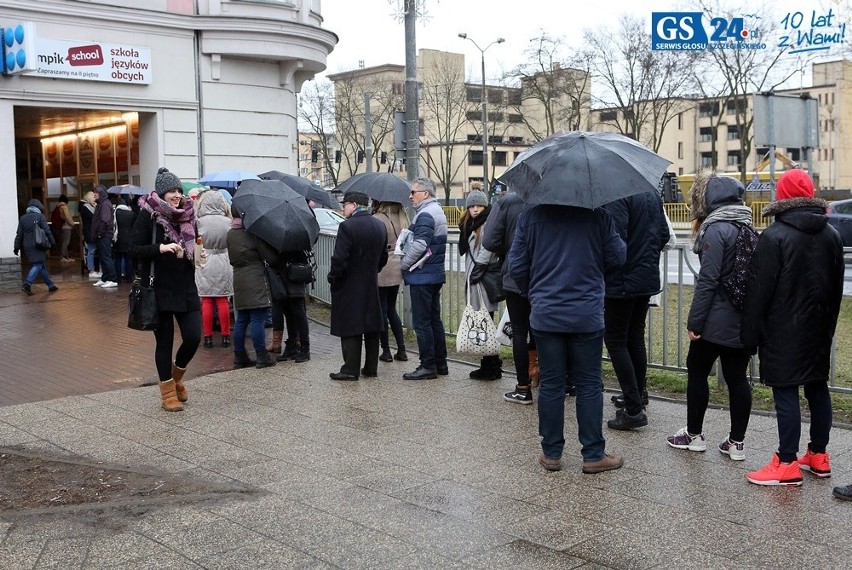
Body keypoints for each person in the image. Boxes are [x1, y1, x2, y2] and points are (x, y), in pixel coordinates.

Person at [742, 169, 844, 486]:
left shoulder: (774, 236)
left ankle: (786, 462)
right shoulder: (832, 235)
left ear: (782, 197)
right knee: (817, 386)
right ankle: (818, 454)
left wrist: (749, 335)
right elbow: (838, 287)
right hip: (819, 327)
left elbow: (759, 292)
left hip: (782, 329)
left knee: (785, 390)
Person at [509, 204, 626, 474]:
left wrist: (535, 293)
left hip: (546, 313)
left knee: (550, 383)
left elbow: (516, 265)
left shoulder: (531, 216)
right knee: (588, 383)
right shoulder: (599, 215)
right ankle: (594, 454)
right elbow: (618, 257)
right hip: (586, 313)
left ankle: (551, 452)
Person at [666, 173, 755, 459]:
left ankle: (694, 435)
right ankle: (736, 443)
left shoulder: (715, 229)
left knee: (697, 372)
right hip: (742, 321)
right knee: (738, 379)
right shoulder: (749, 228)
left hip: (715, 322)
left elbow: (708, 280)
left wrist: (695, 321)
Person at [130, 167, 201, 412]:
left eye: (179, 190)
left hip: (185, 286)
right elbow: (133, 248)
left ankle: (177, 377)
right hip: (158, 287)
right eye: (171, 190)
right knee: (165, 342)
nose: (177, 195)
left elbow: (195, 245)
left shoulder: (189, 215)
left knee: (193, 337)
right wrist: (160, 248)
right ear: (161, 192)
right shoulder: (148, 213)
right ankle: (167, 392)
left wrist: (196, 253)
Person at [602, 191, 670, 430]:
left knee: (616, 340)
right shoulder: (650, 192)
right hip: (645, 276)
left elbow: (614, 241)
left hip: (622, 280)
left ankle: (633, 408)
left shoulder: (618, 194)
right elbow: (663, 234)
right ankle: (638, 395)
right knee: (634, 337)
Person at [479, 189, 536, 403]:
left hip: (515, 275)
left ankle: (523, 387)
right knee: (545, 331)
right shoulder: (552, 199)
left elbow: (490, 241)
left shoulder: (508, 202)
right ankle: (552, 382)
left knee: (520, 332)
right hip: (547, 275)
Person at [327, 191, 388, 381]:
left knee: (351, 326)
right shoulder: (379, 226)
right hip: (370, 282)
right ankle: (371, 367)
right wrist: (371, 271)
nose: (343, 208)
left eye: (344, 204)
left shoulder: (347, 227)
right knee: (370, 325)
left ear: (353, 205)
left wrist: (333, 277)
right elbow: (383, 257)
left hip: (349, 284)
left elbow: (340, 258)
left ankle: (350, 369)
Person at [400, 178, 449, 380]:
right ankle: (440, 363)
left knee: (422, 322)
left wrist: (403, 265)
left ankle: (427, 365)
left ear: (425, 194)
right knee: (433, 320)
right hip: (433, 273)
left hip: (423, 275)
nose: (410, 196)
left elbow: (420, 244)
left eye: (413, 192)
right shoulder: (436, 211)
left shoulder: (426, 214)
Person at [228, 203, 278, 370]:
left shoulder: (230, 234)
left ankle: (239, 355)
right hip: (255, 278)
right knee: (258, 319)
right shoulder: (251, 233)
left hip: (239, 278)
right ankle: (261, 355)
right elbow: (268, 256)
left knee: (242, 319)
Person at [460, 189, 502, 381]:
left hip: (483, 278)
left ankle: (492, 365)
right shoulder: (470, 224)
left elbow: (488, 248)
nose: (475, 209)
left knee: (485, 319)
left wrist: (478, 268)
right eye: (472, 206)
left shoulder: (486, 224)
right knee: (483, 319)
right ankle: (489, 363)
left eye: (479, 206)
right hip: (476, 277)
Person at [194, 190, 233, 349]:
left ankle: (208, 337)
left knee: (207, 299)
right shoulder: (228, 221)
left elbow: (196, 244)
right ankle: (225, 336)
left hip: (204, 259)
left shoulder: (199, 222)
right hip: (224, 259)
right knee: (223, 299)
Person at [373, 200, 409, 363]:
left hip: (382, 267)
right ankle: (402, 349)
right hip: (397, 266)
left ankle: (386, 350)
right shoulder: (402, 217)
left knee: (381, 310)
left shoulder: (378, 218)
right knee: (391, 309)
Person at [269, 247, 312, 363]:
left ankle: (304, 348)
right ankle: (293, 344)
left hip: (290, 281)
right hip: (293, 281)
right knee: (291, 314)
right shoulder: (300, 244)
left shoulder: (282, 245)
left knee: (298, 315)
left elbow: (275, 262)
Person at [14, 199, 58, 295]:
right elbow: (47, 231)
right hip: (38, 243)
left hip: (27, 244)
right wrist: (53, 243)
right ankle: (27, 284)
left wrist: (16, 247)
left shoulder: (23, 218)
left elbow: (19, 234)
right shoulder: (40, 216)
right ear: (38, 208)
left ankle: (51, 285)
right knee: (38, 263)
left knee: (41, 264)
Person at [91, 185, 119, 288]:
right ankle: (105, 278)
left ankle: (113, 279)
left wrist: (99, 233)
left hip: (104, 235)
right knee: (103, 257)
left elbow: (104, 220)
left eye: (96, 193)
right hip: (102, 235)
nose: (94, 194)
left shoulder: (104, 205)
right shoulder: (101, 204)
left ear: (101, 194)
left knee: (106, 257)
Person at [113, 196, 137, 283]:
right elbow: (134, 226)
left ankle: (118, 278)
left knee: (118, 258)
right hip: (129, 238)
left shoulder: (115, 213)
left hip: (118, 238)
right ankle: (129, 278)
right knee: (128, 259)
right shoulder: (131, 213)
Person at [79, 191, 100, 279]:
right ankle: (91, 270)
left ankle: (95, 269)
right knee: (91, 251)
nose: (95, 197)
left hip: (92, 232)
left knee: (93, 251)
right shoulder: (85, 208)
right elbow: (93, 219)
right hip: (89, 233)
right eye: (93, 196)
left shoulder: (91, 207)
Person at [53, 195, 76, 262]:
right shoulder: (64, 207)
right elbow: (68, 217)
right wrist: (73, 223)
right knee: (66, 242)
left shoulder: (58, 207)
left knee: (64, 242)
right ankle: (63, 257)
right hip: (66, 227)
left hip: (61, 227)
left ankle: (66, 257)